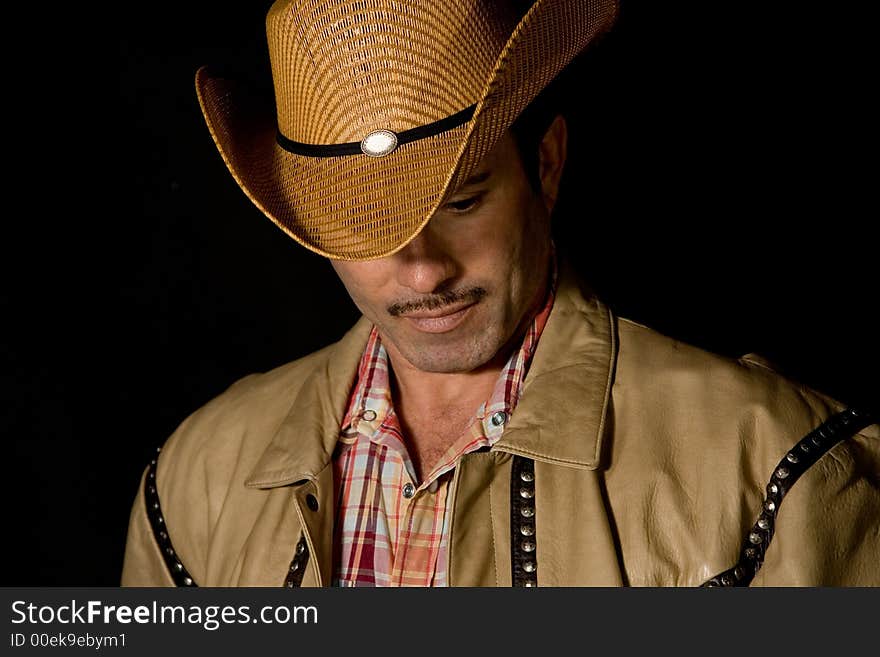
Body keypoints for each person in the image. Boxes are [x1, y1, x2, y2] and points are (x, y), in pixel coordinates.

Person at [121, 0, 878, 587]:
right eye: (363, 227)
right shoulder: (195, 479)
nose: (421, 272)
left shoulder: (776, 469)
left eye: (461, 202)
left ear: (545, 167)